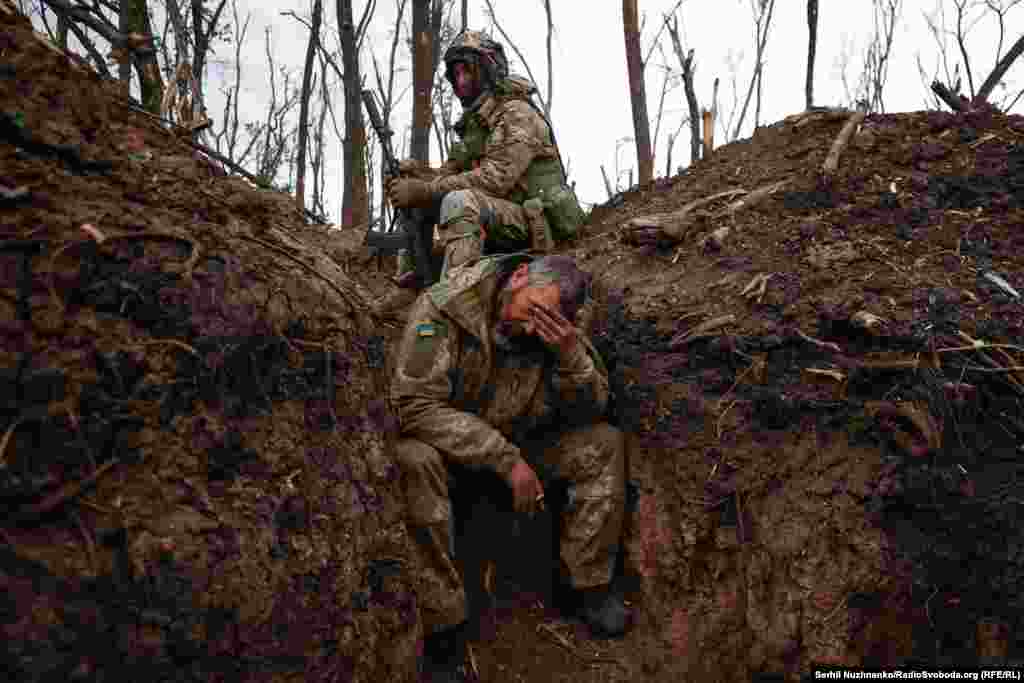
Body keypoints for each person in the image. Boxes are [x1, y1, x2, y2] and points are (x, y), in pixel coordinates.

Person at [390, 253, 629, 682]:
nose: (535, 328)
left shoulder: (559, 325)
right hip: (454, 451)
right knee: (412, 460)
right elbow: (414, 405)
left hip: (523, 441)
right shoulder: (446, 306)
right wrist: (505, 459)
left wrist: (570, 356)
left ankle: (588, 586)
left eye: (548, 321)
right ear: (519, 276)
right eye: (534, 311)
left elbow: (593, 411)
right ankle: (444, 628)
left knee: (603, 445)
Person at [375, 29, 582, 316]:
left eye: (467, 72)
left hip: (535, 225)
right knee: (423, 198)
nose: (460, 82)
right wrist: (416, 179)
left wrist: (427, 189)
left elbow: (496, 179)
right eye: (455, 75)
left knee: (458, 201)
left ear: (487, 69)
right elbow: (448, 176)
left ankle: (455, 301)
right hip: (501, 217)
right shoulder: (475, 124)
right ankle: (413, 286)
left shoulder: (517, 113)